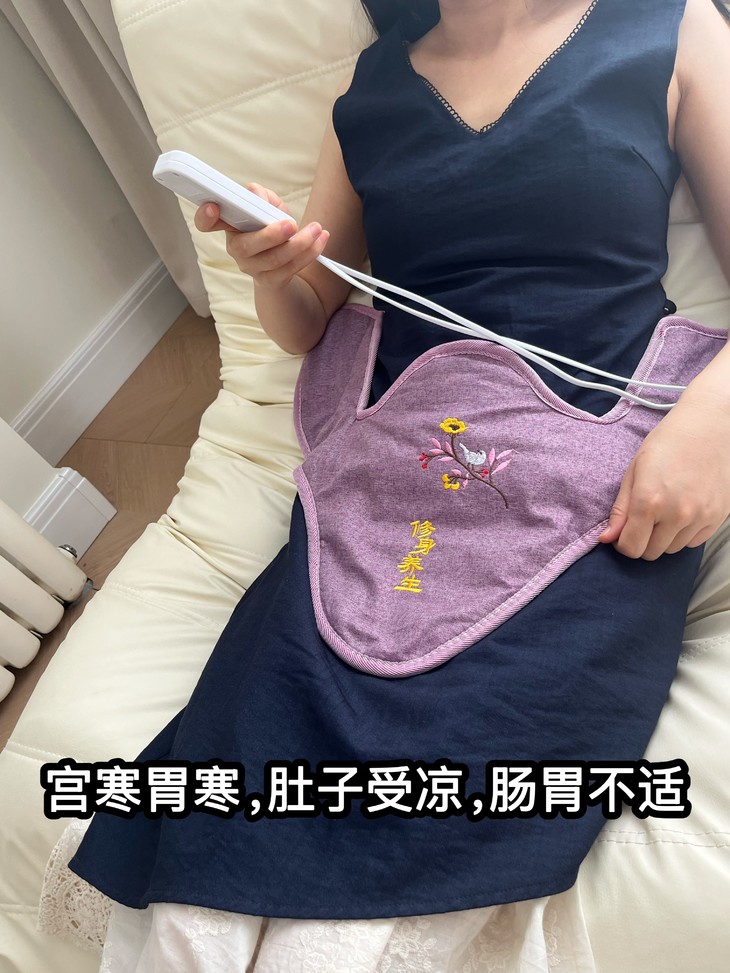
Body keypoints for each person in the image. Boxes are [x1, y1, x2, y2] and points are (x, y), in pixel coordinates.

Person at [64, 0, 730, 969]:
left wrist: (712, 422)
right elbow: (310, 315)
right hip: (389, 478)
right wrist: (270, 267)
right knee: (207, 868)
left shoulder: (669, 27)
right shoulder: (370, 86)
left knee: (365, 916)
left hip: (591, 476)